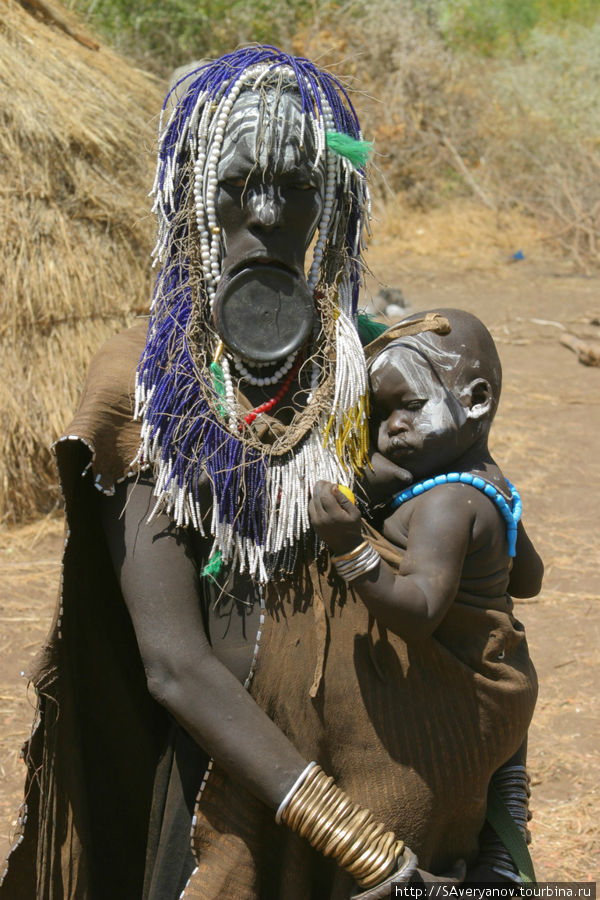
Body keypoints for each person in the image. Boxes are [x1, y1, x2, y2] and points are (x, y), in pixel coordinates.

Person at [1, 49, 537, 900]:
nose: (264, 215)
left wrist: (506, 821)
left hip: (405, 790)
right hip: (240, 807)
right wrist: (355, 840)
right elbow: (175, 661)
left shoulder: (372, 365)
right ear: (186, 202)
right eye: (236, 186)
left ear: (332, 200)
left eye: (294, 187)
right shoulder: (147, 386)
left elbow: (488, 597)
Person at [310, 308, 542, 884]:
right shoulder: (487, 483)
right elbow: (529, 579)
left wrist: (349, 549)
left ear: (477, 399)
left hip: (471, 695)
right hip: (511, 678)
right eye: (380, 415)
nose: (391, 428)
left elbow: (416, 614)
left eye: (409, 407)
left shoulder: (445, 506)